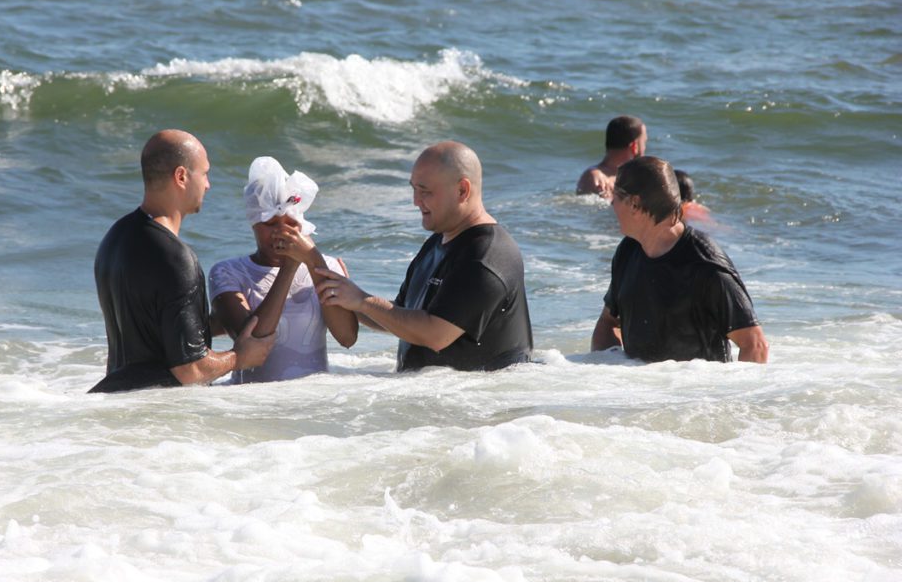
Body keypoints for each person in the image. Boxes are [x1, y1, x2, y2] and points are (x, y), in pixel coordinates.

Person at [314, 141, 533, 372]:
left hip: (482, 402)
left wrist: (362, 301)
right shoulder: (436, 244)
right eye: (414, 189)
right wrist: (343, 295)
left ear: (462, 190)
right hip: (436, 398)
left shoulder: (487, 256)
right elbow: (400, 316)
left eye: (425, 191)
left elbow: (435, 334)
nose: (416, 201)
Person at [90, 130, 274, 393]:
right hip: (159, 413)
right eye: (205, 173)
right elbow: (190, 369)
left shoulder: (114, 240)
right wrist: (240, 357)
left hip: (118, 405)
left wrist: (218, 322)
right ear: (181, 176)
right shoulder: (175, 257)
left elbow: (150, 330)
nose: (208, 185)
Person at [591, 156, 769, 363]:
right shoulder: (628, 251)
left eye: (616, 197)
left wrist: (730, 396)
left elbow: (755, 344)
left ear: (634, 204)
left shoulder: (705, 263)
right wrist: (610, 375)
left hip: (694, 393)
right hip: (640, 392)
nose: (612, 204)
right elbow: (608, 323)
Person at [208, 156, 358, 383]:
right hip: (246, 404)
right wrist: (289, 268)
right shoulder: (228, 272)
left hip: (317, 404)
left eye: (291, 224)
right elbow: (251, 342)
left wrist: (314, 261)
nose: (282, 233)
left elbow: (347, 338)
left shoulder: (326, 266)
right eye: (270, 225)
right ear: (254, 225)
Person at [576, 115, 647, 200]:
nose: (645, 148)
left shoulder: (593, 177)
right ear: (634, 146)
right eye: (644, 142)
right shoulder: (598, 180)